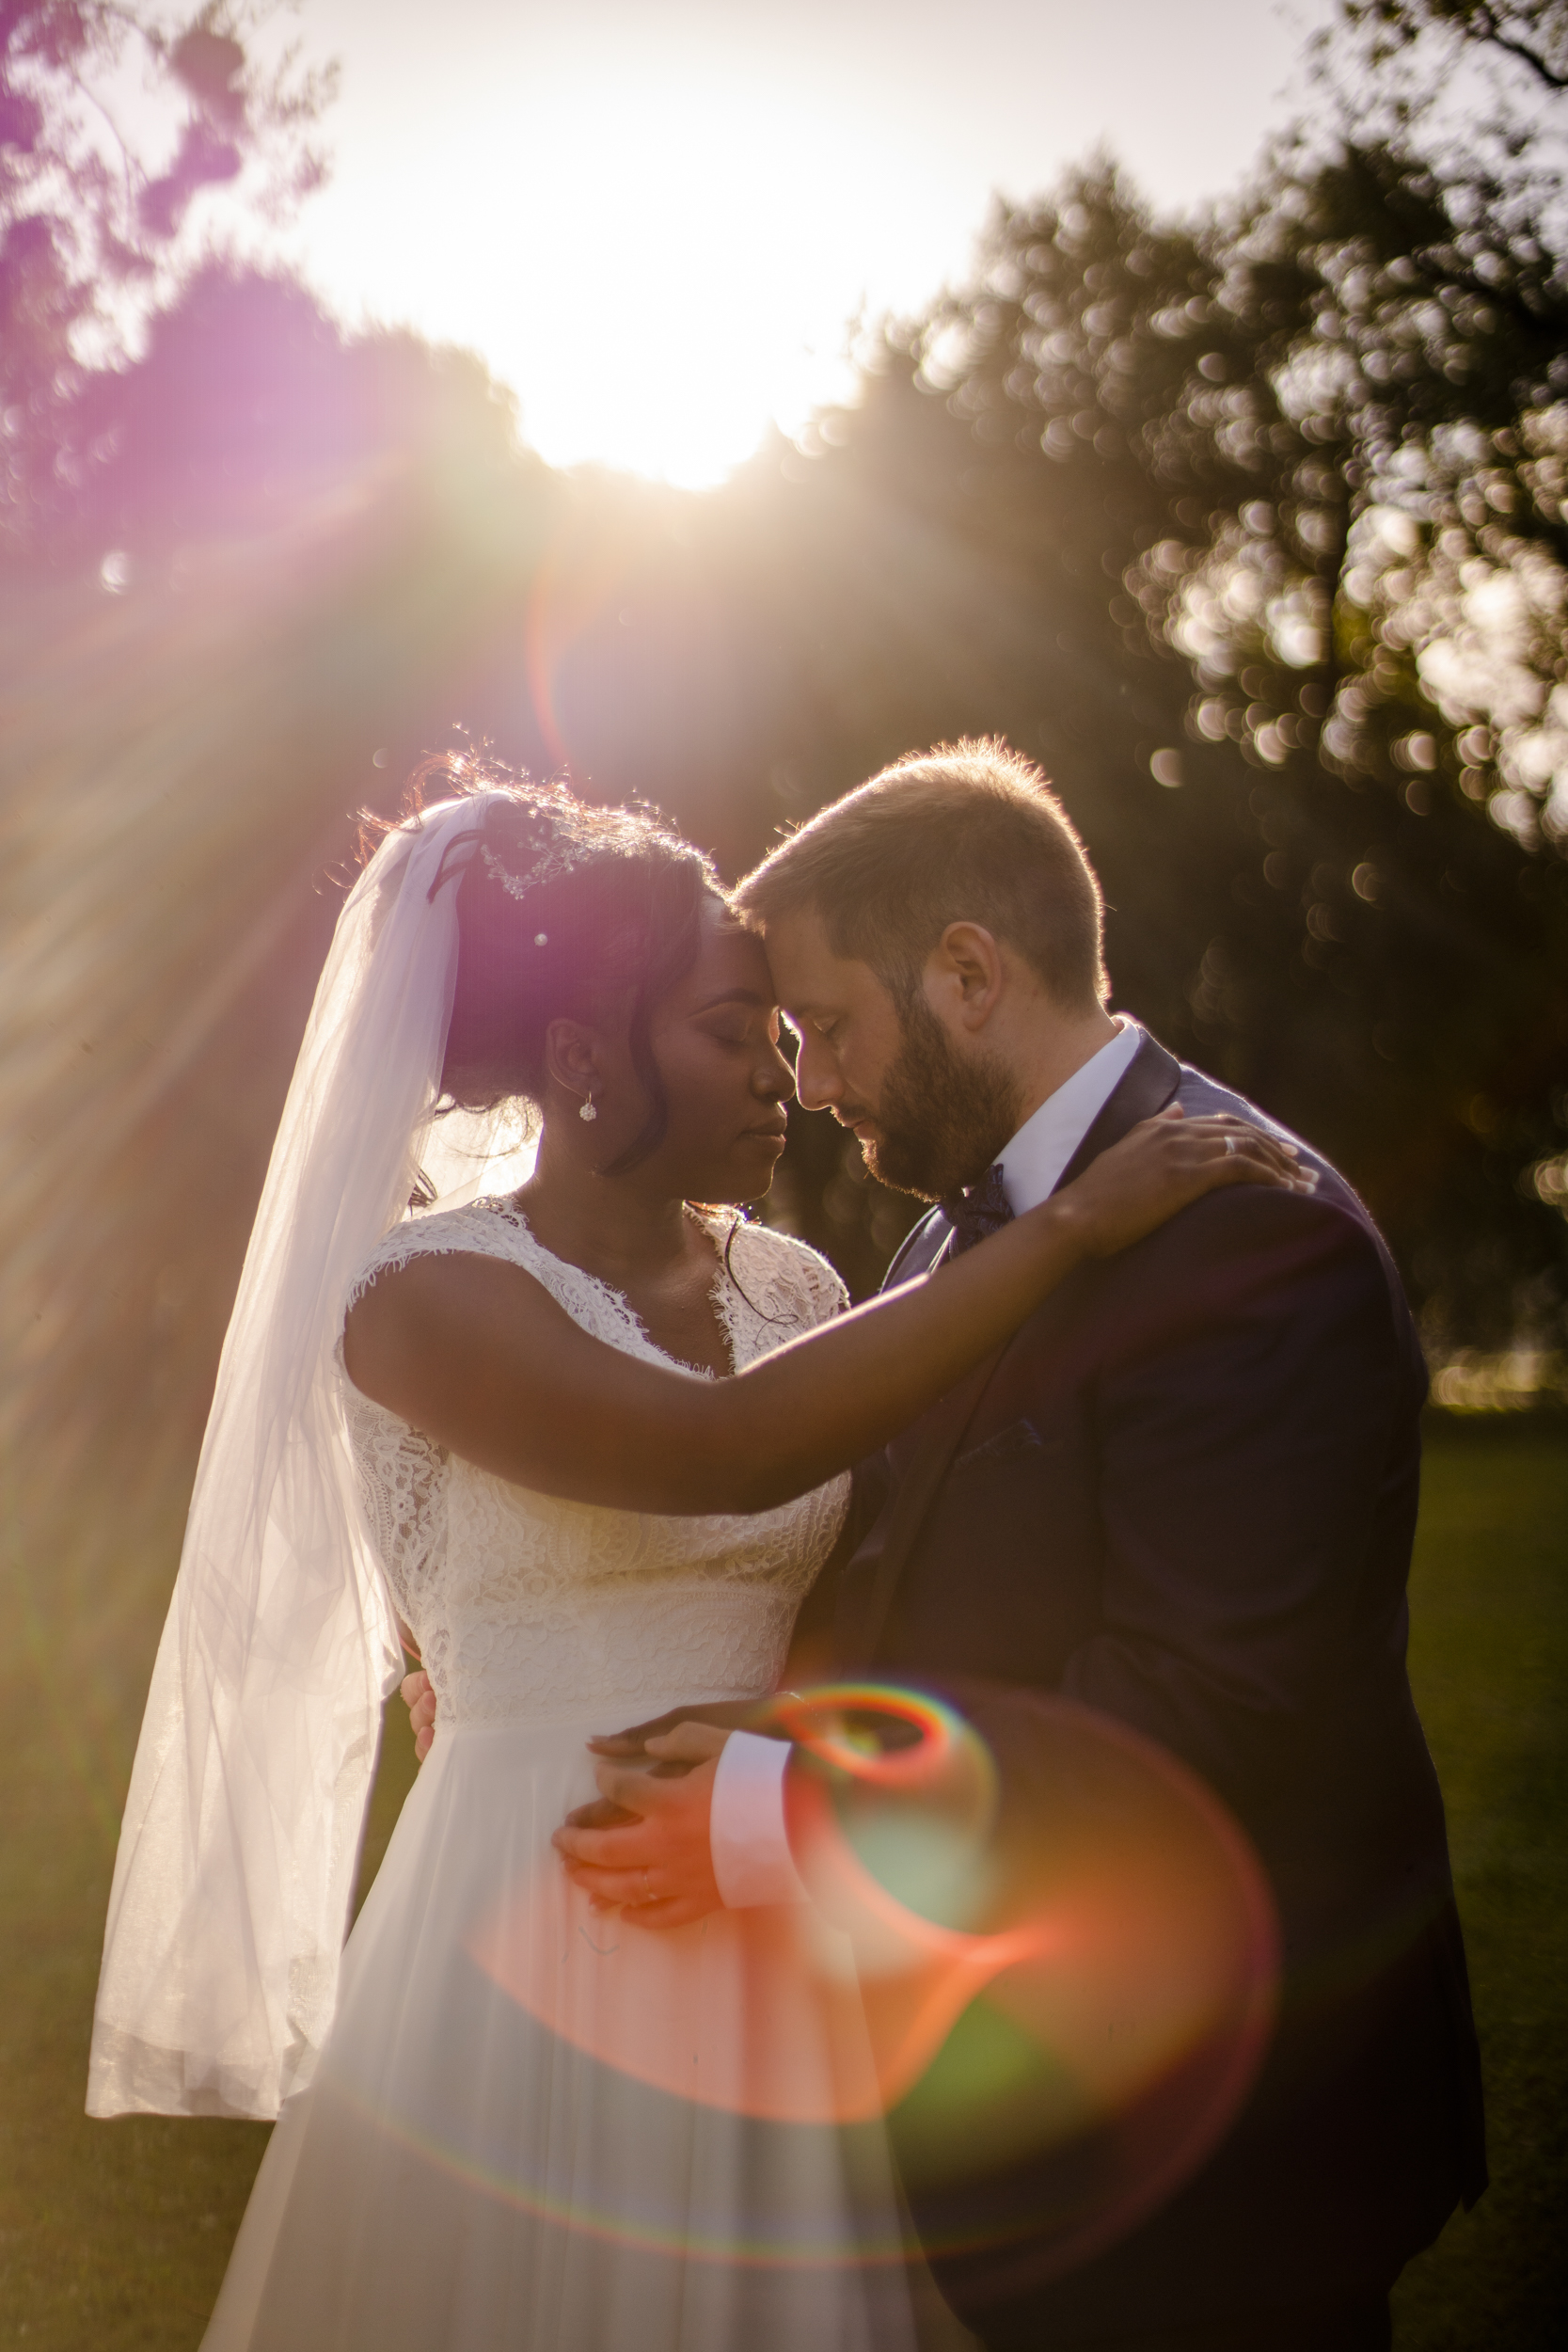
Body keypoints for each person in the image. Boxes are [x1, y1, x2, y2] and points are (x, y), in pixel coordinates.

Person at [87, 762, 1298, 2352]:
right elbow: (721, 1460)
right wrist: (1066, 1233)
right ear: (585, 1058)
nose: (784, 1078)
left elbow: (882, 1562)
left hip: (781, 1894)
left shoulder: (799, 1287)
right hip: (538, 1896)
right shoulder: (423, 1296)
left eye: (790, 1034)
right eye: (735, 1034)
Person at [512, 740, 1489, 2352]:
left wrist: (770, 1811)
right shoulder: (970, 1218)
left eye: (827, 1025)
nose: (809, 1081)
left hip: (1223, 2132)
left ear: (968, 972)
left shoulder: (1251, 1234)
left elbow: (1206, 1711)